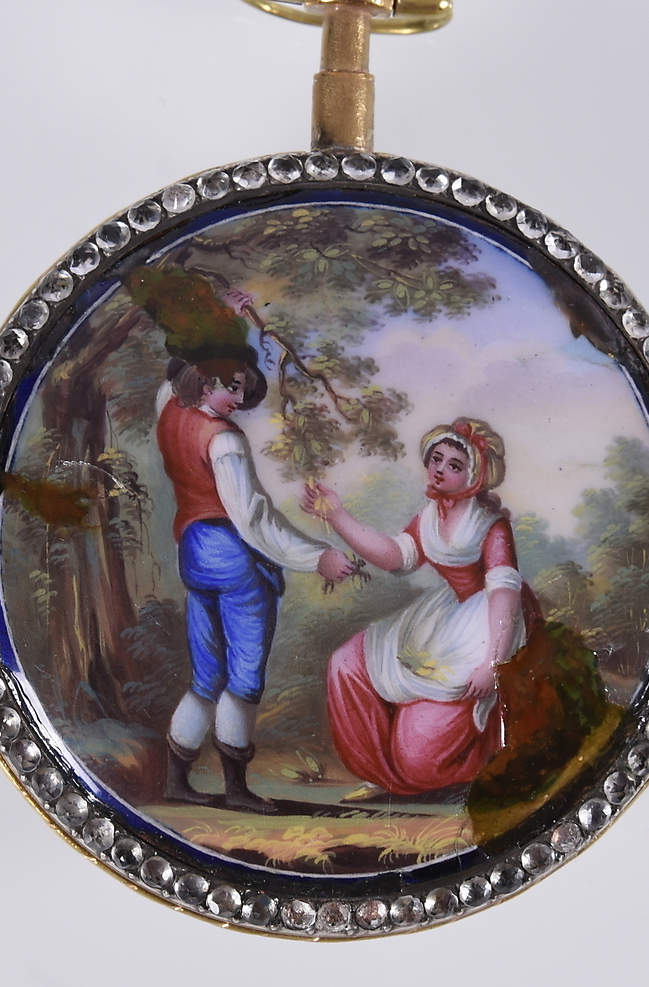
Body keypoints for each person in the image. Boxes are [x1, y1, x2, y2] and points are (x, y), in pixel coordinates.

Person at [157, 313, 352, 813]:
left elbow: (168, 381)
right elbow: (253, 518)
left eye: (243, 387)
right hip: (232, 559)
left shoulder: (170, 412)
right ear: (203, 381)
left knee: (206, 676)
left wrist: (225, 315)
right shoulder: (224, 441)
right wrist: (317, 556)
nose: (240, 398)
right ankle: (237, 789)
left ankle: (176, 780)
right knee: (243, 677)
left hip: (193, 554)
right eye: (232, 387)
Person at [302, 418, 543, 798]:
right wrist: (337, 515)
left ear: (475, 477)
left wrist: (493, 664)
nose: (440, 469)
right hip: (445, 616)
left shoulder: (490, 526)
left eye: (454, 465)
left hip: (491, 625)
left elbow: (504, 596)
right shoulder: (431, 516)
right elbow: (396, 557)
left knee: (417, 757)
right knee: (345, 663)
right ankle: (380, 775)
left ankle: (484, 765)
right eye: (436, 459)